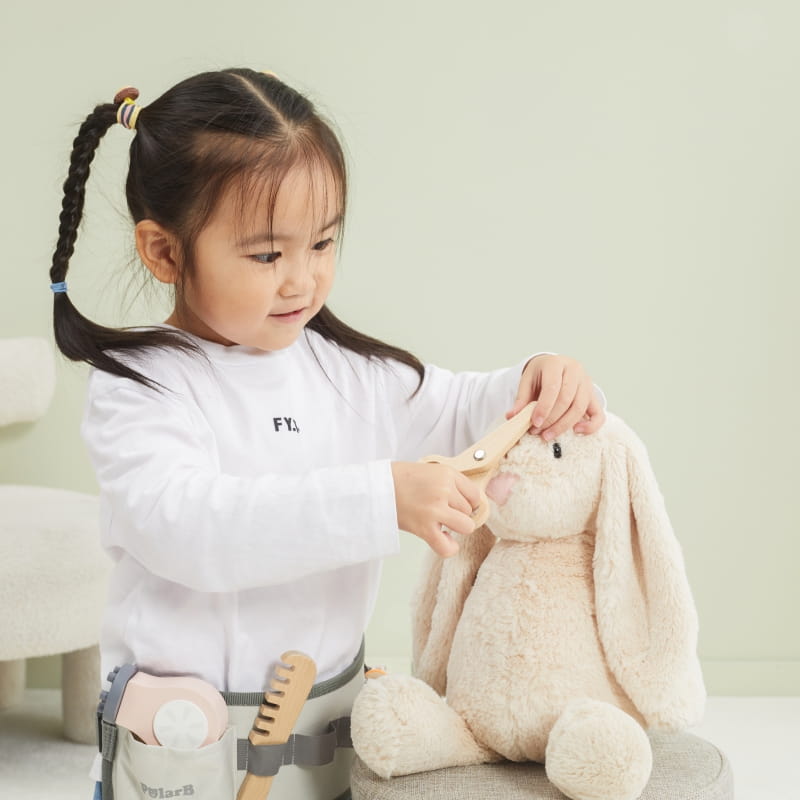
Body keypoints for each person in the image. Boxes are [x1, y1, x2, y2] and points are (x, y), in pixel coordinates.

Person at [49, 69, 605, 799]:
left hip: (323, 760)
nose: (302, 280)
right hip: (183, 761)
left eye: (322, 243)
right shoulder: (139, 385)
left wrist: (535, 380)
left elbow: (459, 407)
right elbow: (189, 527)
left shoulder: (345, 370)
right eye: (267, 255)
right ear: (165, 253)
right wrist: (380, 499)